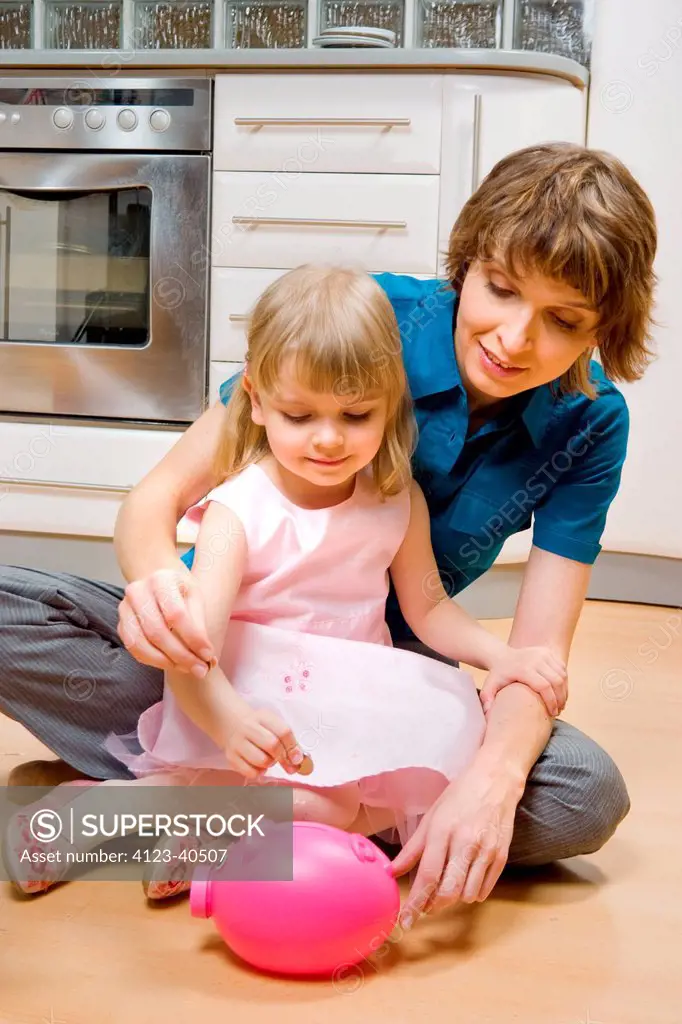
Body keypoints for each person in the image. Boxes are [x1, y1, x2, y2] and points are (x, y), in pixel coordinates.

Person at [0, 143, 657, 924]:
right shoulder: (362, 324)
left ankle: (174, 813)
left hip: (379, 665)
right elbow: (158, 500)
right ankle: (296, 809)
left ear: (602, 328)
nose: (514, 338)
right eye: (501, 289)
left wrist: (492, 784)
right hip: (227, 640)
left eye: (562, 321)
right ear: (469, 260)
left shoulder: (589, 424)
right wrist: (161, 599)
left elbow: (529, 656)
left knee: (582, 794)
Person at [3, 265, 567, 901]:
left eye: (357, 415)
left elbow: (429, 606)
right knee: (297, 802)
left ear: (390, 403)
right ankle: (94, 817)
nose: (328, 440)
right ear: (258, 400)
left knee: (413, 766)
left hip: (348, 691)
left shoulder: (394, 496)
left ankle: (198, 835)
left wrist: (503, 655)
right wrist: (229, 723)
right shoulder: (239, 507)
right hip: (249, 691)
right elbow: (195, 651)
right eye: (300, 415)